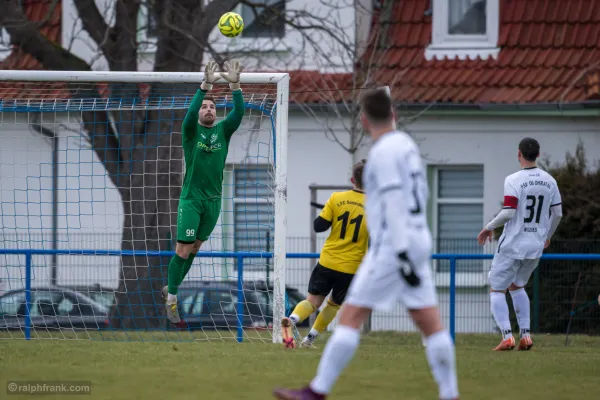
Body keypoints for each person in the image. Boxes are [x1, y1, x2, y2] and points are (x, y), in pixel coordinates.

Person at [273, 88, 459, 400]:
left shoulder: (381, 155)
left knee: (350, 317)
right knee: (431, 324)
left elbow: (395, 202)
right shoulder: (408, 147)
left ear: (363, 120)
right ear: (394, 114)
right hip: (417, 239)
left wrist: (399, 252)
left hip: (392, 247)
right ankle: (450, 393)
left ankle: (316, 391)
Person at [161, 60, 245, 324]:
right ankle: (172, 299)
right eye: (205, 107)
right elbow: (189, 115)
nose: (208, 109)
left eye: (212, 107)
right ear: (199, 113)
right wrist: (205, 87)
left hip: (214, 202)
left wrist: (235, 86)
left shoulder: (223, 131)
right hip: (191, 200)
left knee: (195, 248)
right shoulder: (190, 131)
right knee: (183, 249)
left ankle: (170, 288)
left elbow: (239, 114)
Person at [477, 137, 562, 351]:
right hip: (535, 246)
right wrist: (547, 236)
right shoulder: (549, 180)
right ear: (538, 154)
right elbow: (558, 213)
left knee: (497, 289)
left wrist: (489, 227)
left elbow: (509, 212)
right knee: (517, 286)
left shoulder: (513, 179)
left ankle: (507, 336)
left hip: (513, 244)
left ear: (519, 154)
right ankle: (525, 335)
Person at [282, 160, 369, 348]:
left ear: (353, 179)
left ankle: (292, 319)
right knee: (333, 304)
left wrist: (332, 212)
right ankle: (309, 340)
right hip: (351, 267)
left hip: (327, 262)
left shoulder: (337, 198)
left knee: (312, 301)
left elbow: (318, 226)